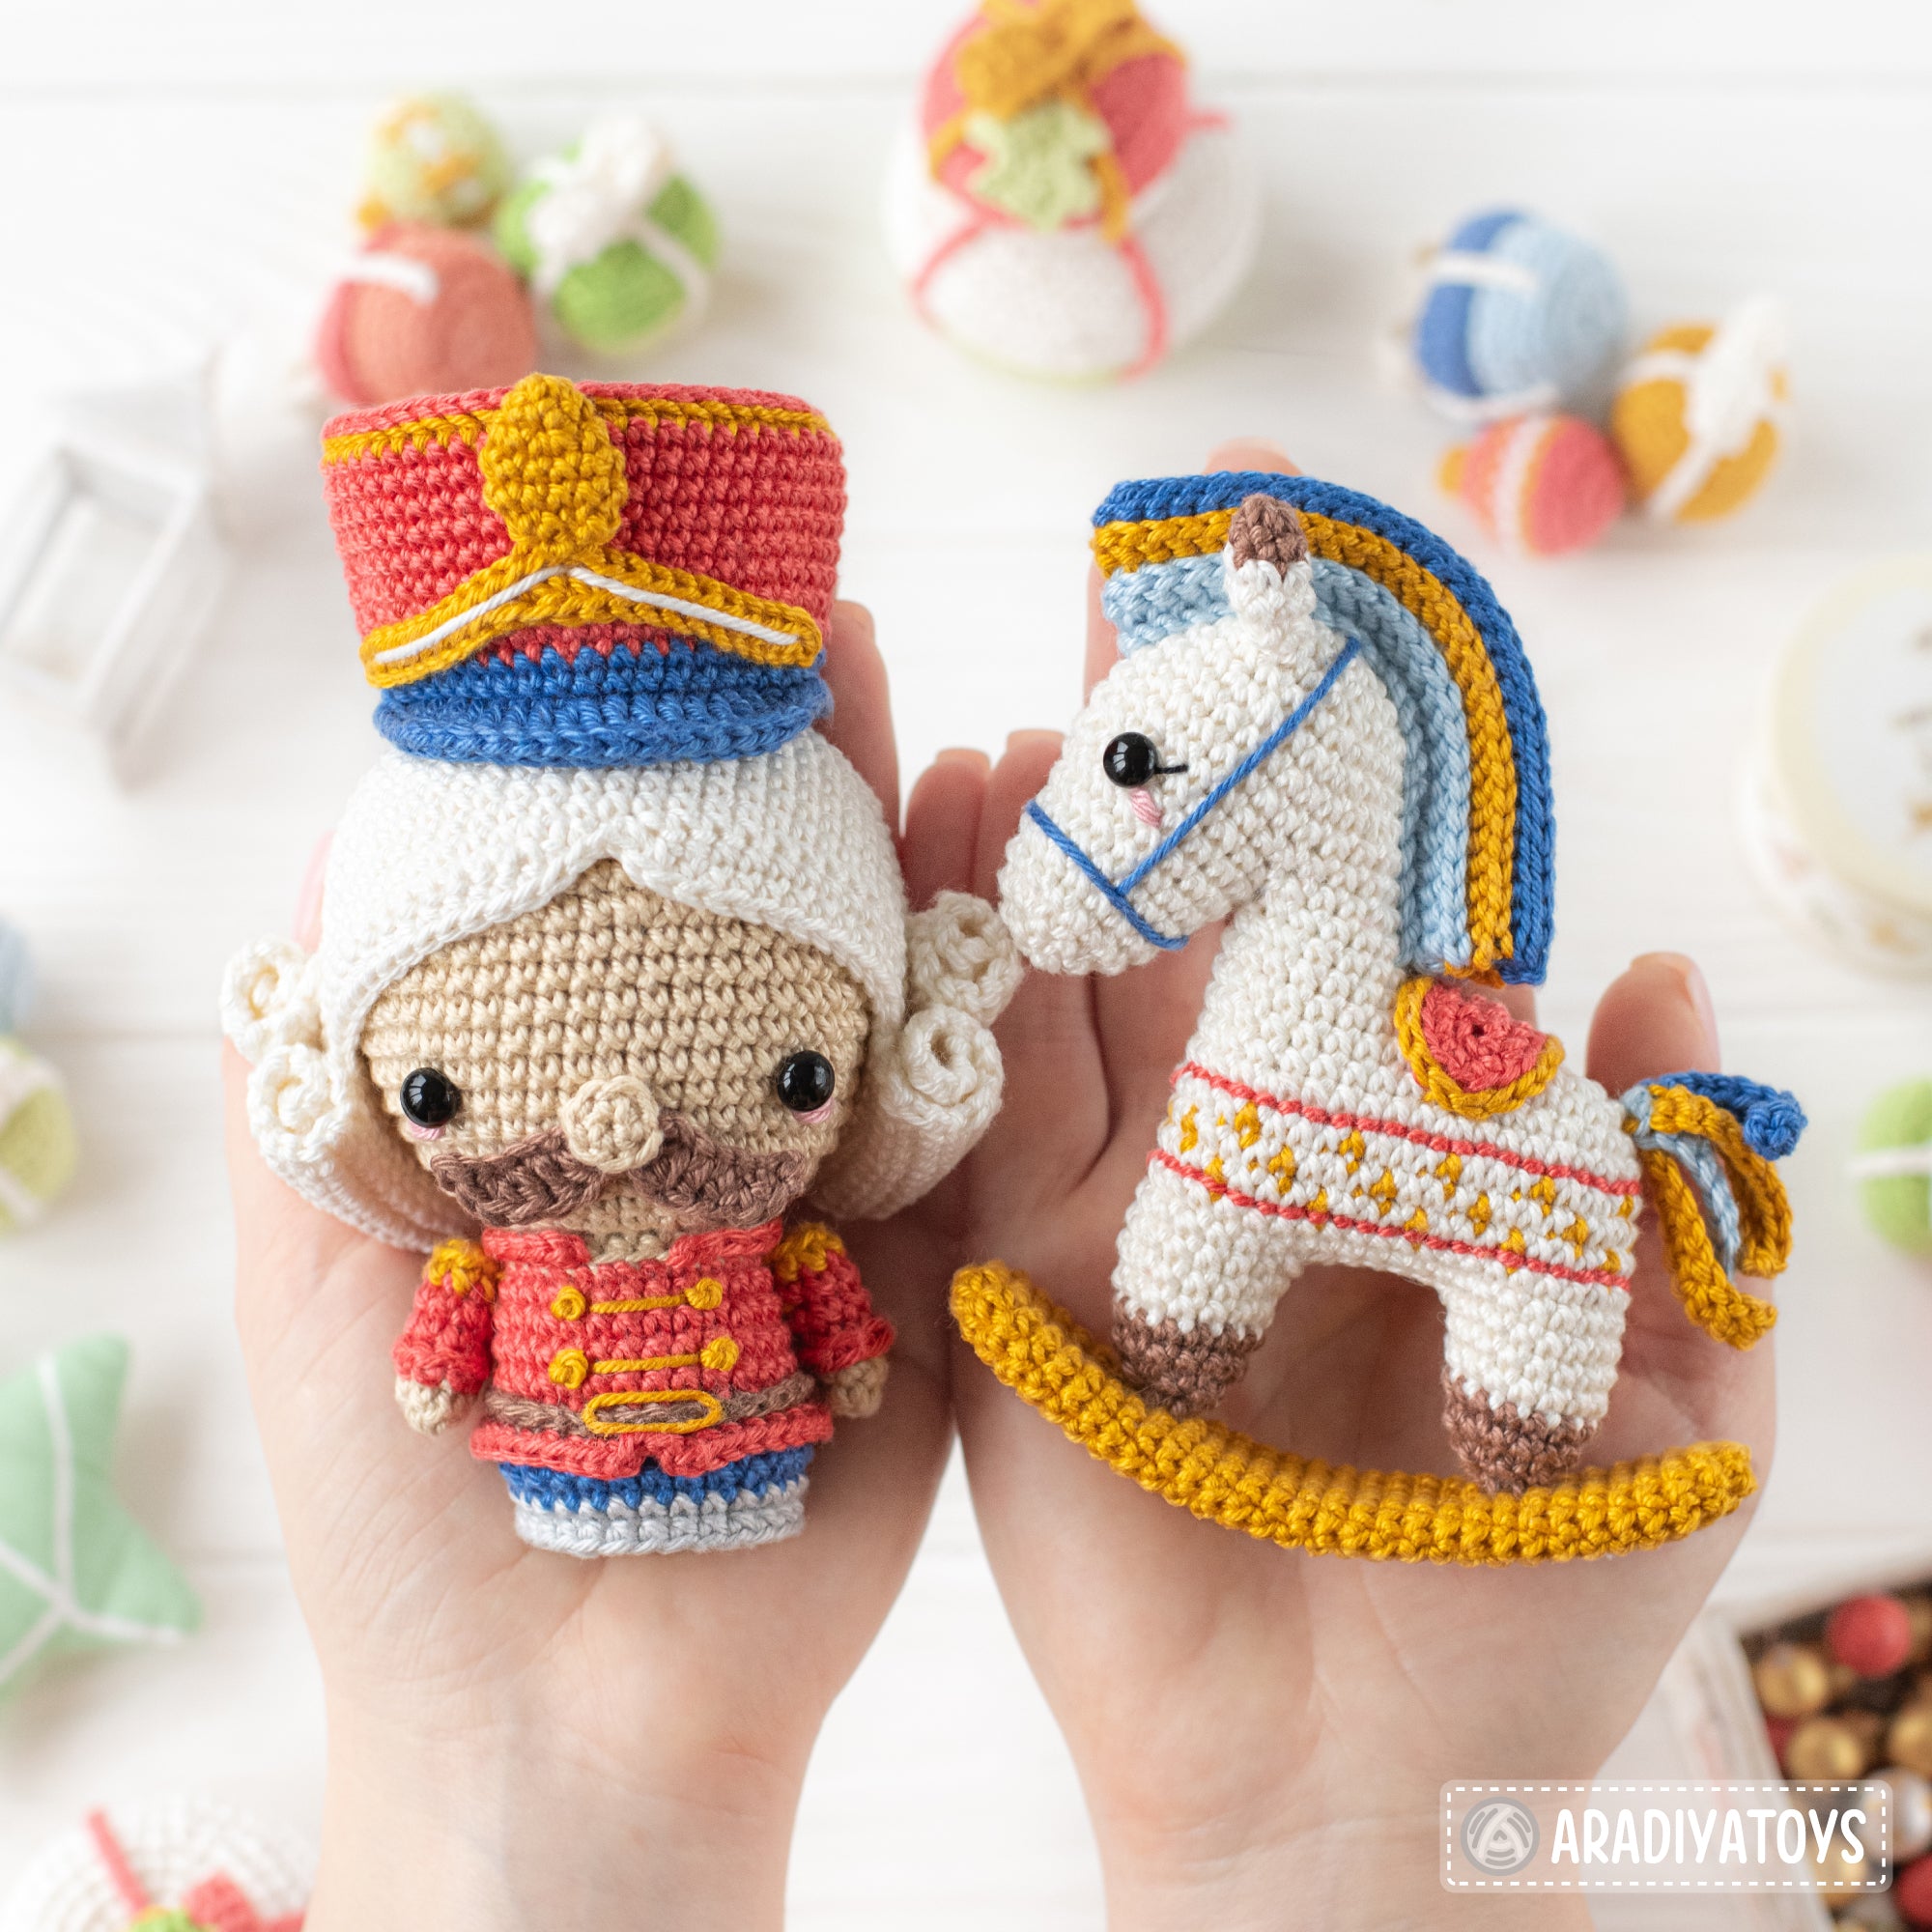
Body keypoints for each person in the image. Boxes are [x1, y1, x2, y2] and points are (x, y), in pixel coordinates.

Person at [222, 440, 1769, 1929]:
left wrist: (1349, 1820)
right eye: (438, 1096)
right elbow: (498, 1327)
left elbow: (831, 1309)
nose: (618, 1130)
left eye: (796, 1081)